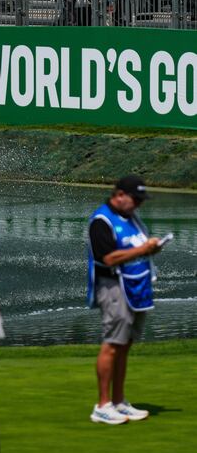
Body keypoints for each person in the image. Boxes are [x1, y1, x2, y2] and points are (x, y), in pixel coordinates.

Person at [87, 175, 161, 425]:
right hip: (112, 287)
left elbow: (137, 247)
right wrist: (143, 250)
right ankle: (103, 405)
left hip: (135, 286)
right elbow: (107, 258)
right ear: (119, 195)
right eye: (135, 199)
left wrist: (151, 247)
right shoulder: (101, 221)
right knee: (112, 343)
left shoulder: (133, 219)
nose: (138, 205)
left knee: (125, 344)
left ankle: (119, 401)